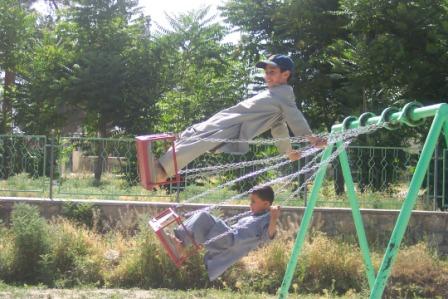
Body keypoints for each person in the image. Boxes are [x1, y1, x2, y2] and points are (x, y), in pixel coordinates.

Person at [155, 54, 326, 182]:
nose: (267, 76)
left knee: (200, 139)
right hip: (230, 120)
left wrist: (310, 138)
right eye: (266, 72)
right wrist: (288, 151)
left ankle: (161, 171)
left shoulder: (284, 93)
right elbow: (279, 126)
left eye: (272, 72)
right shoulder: (274, 94)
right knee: (197, 135)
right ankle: (162, 166)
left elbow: (294, 117)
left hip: (234, 124)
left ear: (285, 75)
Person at [171, 185, 280, 281]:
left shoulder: (266, 219)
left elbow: (268, 237)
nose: (250, 204)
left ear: (266, 204)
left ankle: (180, 244)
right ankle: (180, 243)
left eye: (253, 202)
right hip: (228, 236)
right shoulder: (254, 216)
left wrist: (274, 218)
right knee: (203, 221)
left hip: (231, 241)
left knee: (204, 217)